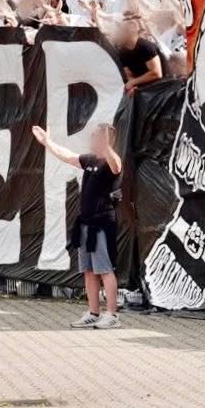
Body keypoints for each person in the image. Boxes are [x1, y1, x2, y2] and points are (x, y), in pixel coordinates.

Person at [31, 122, 123, 329]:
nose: (92, 139)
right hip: (85, 225)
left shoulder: (110, 163)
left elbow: (116, 164)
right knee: (89, 271)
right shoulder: (89, 160)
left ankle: (112, 315)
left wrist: (107, 148)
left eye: (96, 136)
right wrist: (48, 142)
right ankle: (93, 312)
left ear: (106, 139)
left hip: (103, 224)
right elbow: (67, 155)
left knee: (105, 270)